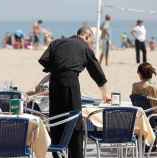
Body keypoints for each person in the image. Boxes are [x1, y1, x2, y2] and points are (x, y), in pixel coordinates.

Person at [39, 26, 110, 158]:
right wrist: (105, 94)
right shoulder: (84, 47)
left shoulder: (57, 42)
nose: (91, 44)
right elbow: (97, 73)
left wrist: (40, 85)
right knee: (74, 124)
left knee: (57, 122)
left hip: (54, 85)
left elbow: (48, 65)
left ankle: (57, 153)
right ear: (87, 36)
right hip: (71, 84)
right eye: (92, 41)